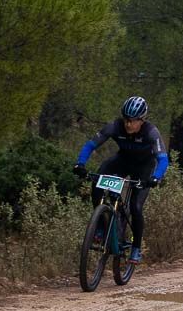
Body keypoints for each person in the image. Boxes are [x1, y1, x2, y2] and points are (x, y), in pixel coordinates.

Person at [72, 96, 169, 265]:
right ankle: (102, 226)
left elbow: (163, 159)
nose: (128, 124)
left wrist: (155, 178)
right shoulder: (115, 127)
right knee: (97, 182)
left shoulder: (151, 132)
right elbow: (90, 145)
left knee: (135, 206)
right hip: (122, 161)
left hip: (144, 168)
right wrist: (80, 163)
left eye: (132, 121)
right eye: (125, 119)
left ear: (142, 120)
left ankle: (136, 248)